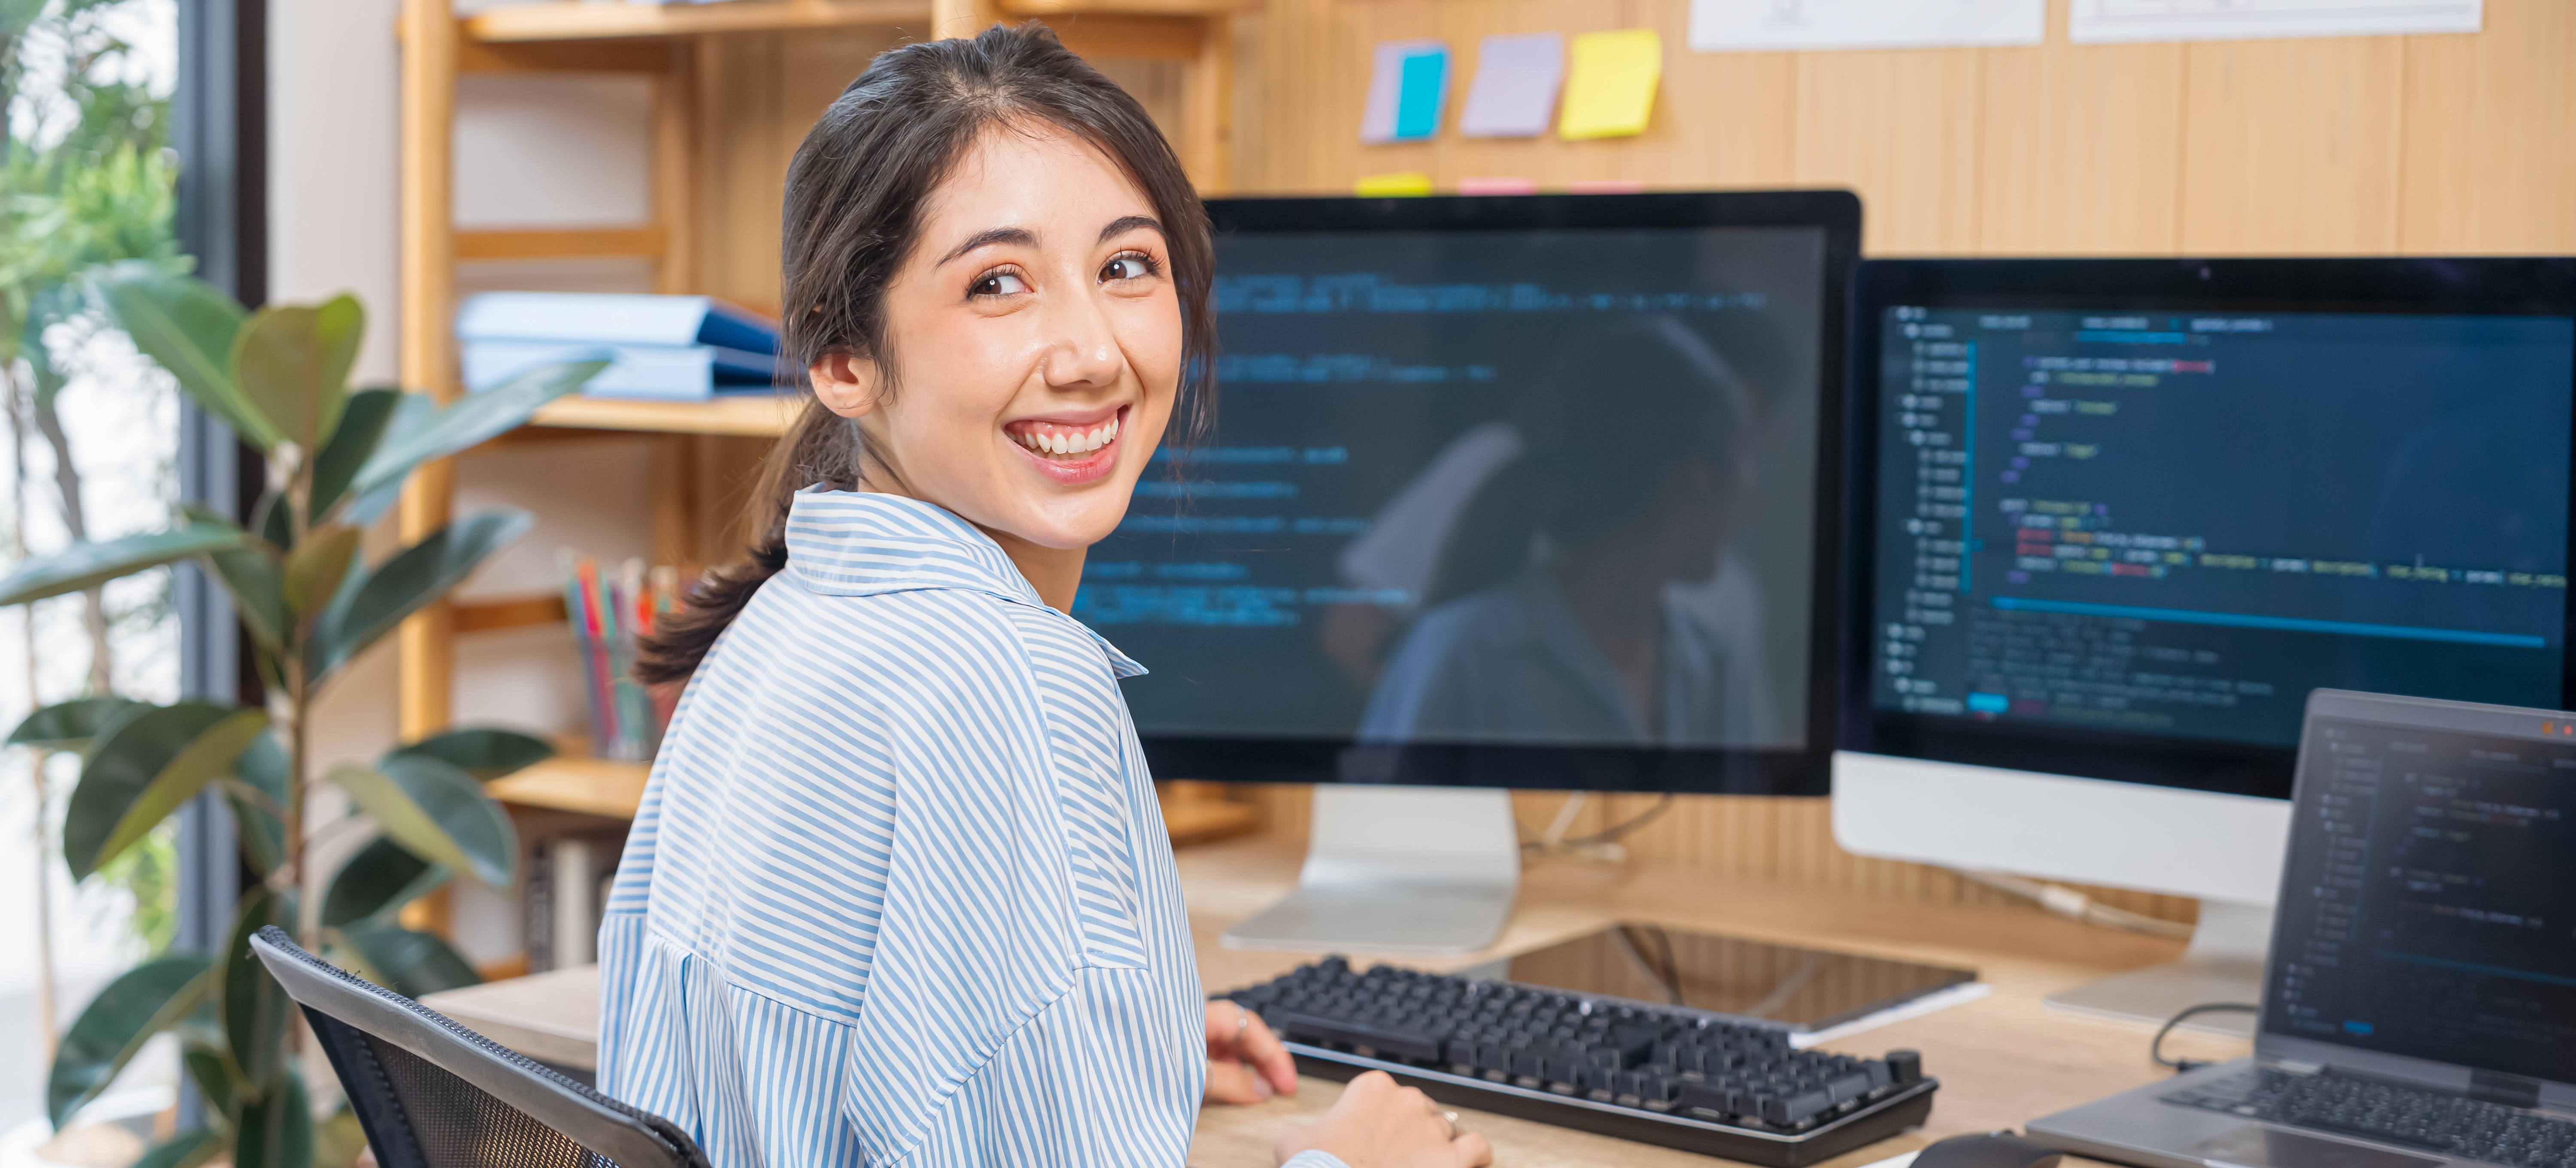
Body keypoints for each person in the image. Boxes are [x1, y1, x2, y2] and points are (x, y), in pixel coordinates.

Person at [597, 24, 1491, 1168]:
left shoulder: (783, 623)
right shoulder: (1010, 678)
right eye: (998, 284)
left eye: (1127, 266)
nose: (1089, 353)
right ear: (842, 359)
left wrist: (1107, 1052)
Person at [1357, 317, 1779, 748]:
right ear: (1691, 482)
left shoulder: (1712, 665)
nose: (1749, 498)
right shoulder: (1463, 652)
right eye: (1742, 462)